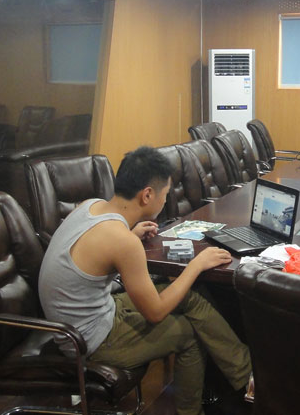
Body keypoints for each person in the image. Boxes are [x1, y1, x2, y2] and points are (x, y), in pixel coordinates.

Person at [39, 146, 251, 415]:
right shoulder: (122, 241)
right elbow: (156, 312)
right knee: (189, 335)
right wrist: (196, 265)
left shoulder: (90, 206)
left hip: (86, 316)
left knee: (192, 298)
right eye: (165, 194)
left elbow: (98, 248)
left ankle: (247, 378)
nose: (165, 200)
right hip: (88, 340)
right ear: (147, 195)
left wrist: (131, 233)